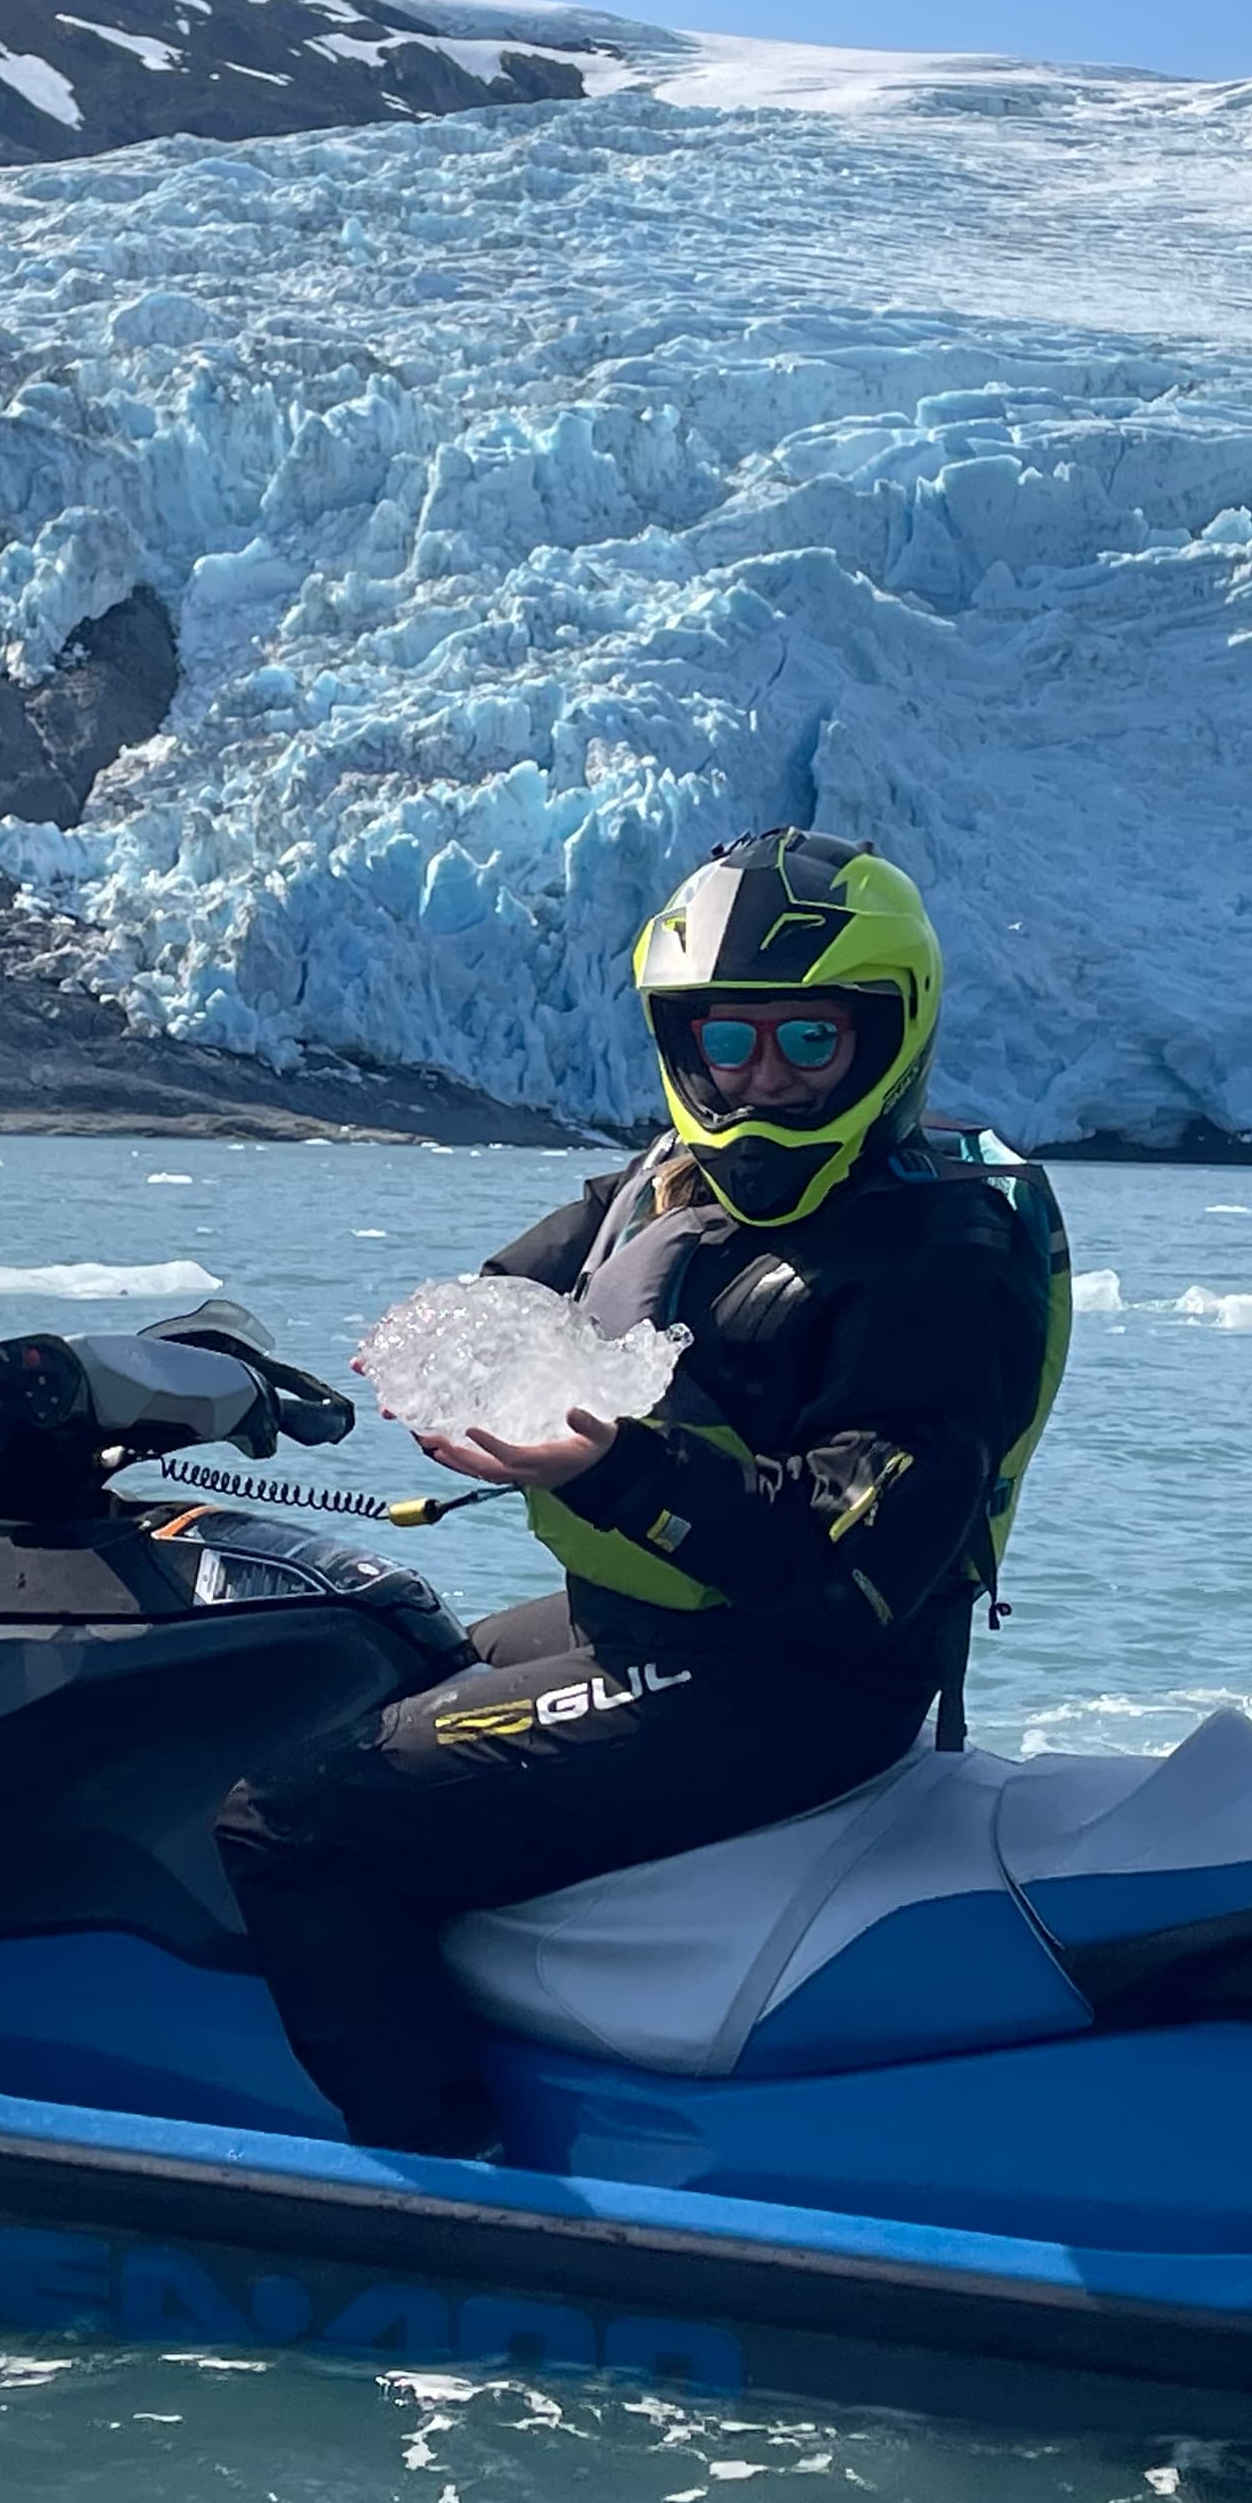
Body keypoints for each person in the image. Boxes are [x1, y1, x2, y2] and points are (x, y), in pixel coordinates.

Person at [214, 827, 1069, 2158]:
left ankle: (441, 2170)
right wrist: (232, 1365)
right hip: (661, 1630)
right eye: (726, 1046)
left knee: (291, 1823)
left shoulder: (935, 1259)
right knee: (357, 1656)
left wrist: (622, 1469)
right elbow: (498, 1297)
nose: (761, 1085)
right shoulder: (674, 1189)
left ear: (887, 1036)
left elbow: (863, 1573)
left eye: (808, 1046)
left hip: (792, 1686)